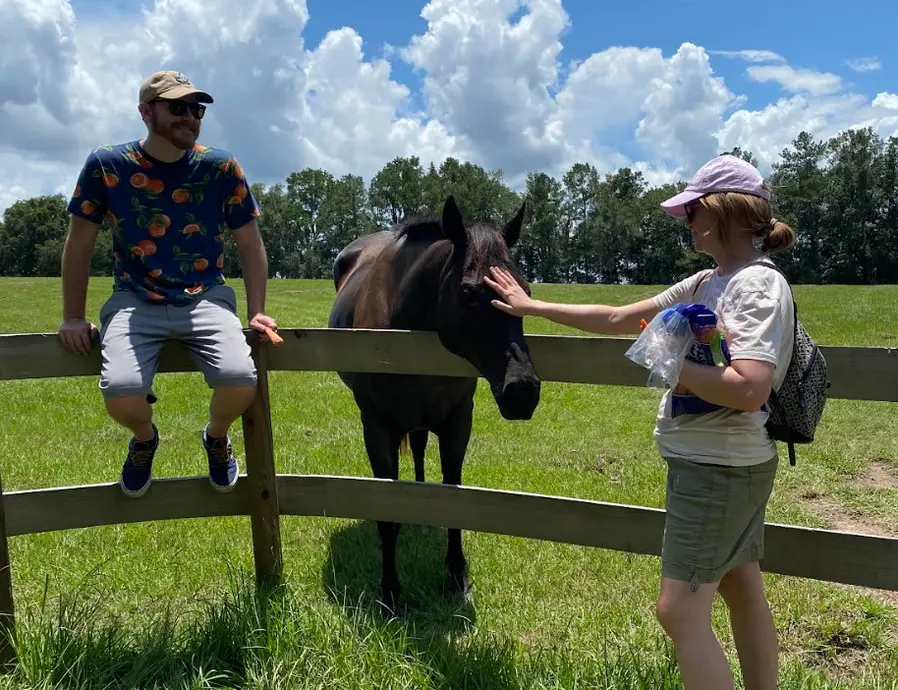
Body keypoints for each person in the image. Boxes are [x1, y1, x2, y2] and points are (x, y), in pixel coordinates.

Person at [484, 154, 795, 690]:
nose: (686, 221)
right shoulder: (708, 281)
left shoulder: (755, 288)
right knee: (742, 588)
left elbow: (748, 388)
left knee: (678, 612)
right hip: (723, 466)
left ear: (723, 211)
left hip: (716, 470)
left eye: (693, 210)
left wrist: (675, 367)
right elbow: (618, 318)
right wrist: (530, 307)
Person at [58, 70, 278, 498]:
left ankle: (216, 436)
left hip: (207, 297)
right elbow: (79, 244)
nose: (190, 117)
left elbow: (251, 245)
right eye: (177, 107)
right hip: (132, 299)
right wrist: (72, 317)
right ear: (145, 112)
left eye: (196, 109)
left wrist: (256, 310)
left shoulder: (221, 167)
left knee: (239, 379)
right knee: (120, 392)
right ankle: (144, 439)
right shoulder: (107, 165)